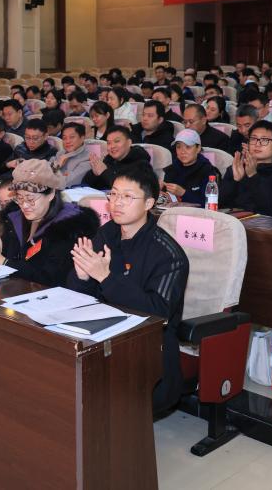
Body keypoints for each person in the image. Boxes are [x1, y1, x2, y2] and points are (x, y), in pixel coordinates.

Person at [68, 162, 189, 414]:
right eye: (113, 194)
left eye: (127, 197)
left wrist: (105, 277)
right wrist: (81, 277)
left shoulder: (168, 254)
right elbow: (82, 296)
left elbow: (158, 313)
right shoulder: (107, 233)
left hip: (146, 349)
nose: (117, 203)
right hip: (102, 335)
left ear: (148, 203)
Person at [0, 159, 99, 286]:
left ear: (51, 194)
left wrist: (2, 260)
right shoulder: (15, 218)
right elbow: (8, 257)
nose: (24, 205)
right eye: (19, 198)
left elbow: (52, 278)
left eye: (30, 199)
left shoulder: (70, 227)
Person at [219, 120, 272, 217]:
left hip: (264, 224)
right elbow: (218, 204)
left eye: (264, 140)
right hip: (232, 221)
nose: (257, 144)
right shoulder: (239, 167)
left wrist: (253, 176)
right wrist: (234, 180)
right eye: (253, 139)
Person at [162, 129, 219, 205]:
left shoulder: (207, 171)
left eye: (188, 147)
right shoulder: (171, 169)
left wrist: (183, 193)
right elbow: (166, 198)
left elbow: (209, 203)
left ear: (198, 148)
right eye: (178, 147)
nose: (182, 152)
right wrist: (158, 191)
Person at [83, 125, 151, 189]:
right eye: (109, 143)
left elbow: (126, 188)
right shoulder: (109, 160)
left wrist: (104, 172)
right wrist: (94, 174)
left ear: (129, 142)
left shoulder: (141, 163)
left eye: (117, 141)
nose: (112, 146)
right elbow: (85, 184)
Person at [53, 122, 91, 188]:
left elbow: (66, 183)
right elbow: (43, 174)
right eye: (64, 138)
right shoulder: (60, 153)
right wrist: (57, 165)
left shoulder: (88, 158)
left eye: (72, 137)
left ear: (82, 138)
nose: (67, 141)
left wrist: (54, 172)